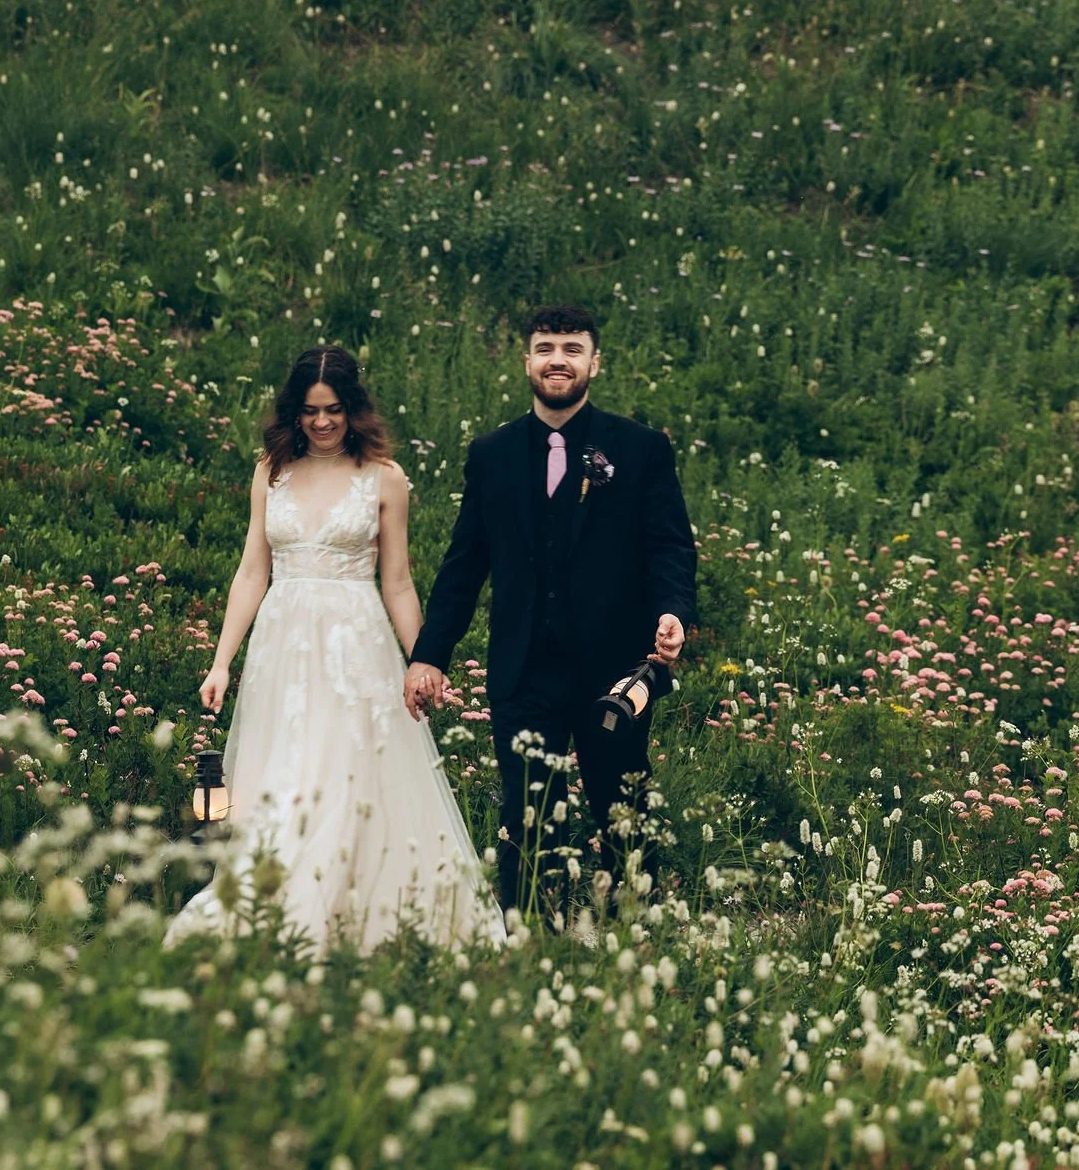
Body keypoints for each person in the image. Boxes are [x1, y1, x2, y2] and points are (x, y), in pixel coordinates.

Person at [165, 345, 507, 955]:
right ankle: (277, 910)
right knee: (284, 774)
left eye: (333, 410)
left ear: (354, 409)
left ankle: (360, 915)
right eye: (309, 411)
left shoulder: (386, 478)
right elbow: (252, 570)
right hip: (283, 644)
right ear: (292, 412)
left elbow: (397, 580)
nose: (321, 423)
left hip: (356, 644)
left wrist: (422, 659)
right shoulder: (271, 470)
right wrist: (222, 661)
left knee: (353, 773)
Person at [405, 304, 698, 918]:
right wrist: (429, 654)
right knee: (527, 814)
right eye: (545, 348)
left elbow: (669, 545)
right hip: (523, 669)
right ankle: (527, 937)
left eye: (571, 348)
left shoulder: (640, 449)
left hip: (614, 672)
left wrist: (672, 612)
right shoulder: (492, 454)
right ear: (527, 361)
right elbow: (464, 565)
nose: (557, 360)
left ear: (595, 361)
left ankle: (630, 932)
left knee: (624, 810)